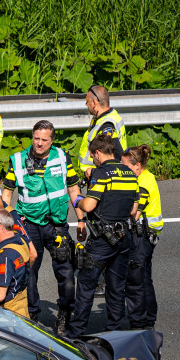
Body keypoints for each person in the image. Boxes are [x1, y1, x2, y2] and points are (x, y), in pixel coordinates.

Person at [2, 120, 82, 334]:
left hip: (56, 225)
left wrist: (81, 220)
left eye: (44, 140)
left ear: (52, 140)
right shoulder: (18, 160)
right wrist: (8, 224)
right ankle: (32, 314)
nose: (38, 143)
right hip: (28, 225)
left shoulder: (63, 158)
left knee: (65, 272)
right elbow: (7, 194)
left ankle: (65, 314)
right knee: (28, 272)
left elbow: (74, 189)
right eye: (36, 138)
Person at [66, 134, 140, 338]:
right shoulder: (130, 173)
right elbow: (134, 210)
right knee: (116, 289)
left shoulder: (102, 173)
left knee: (86, 285)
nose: (93, 159)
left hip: (102, 240)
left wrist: (78, 200)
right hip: (124, 237)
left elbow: (89, 205)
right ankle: (114, 334)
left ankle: (75, 334)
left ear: (97, 153)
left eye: (92, 156)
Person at [122, 145, 162, 331]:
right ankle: (148, 321)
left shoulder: (143, 182)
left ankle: (139, 323)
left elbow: (134, 213)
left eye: (125, 167)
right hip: (148, 236)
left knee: (135, 281)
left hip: (141, 237)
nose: (123, 170)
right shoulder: (146, 176)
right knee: (145, 279)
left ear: (137, 165)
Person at [78, 85, 127, 177]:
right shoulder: (108, 116)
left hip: (103, 177)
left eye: (87, 101)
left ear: (94, 103)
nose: (86, 104)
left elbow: (115, 154)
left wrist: (97, 172)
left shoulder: (106, 125)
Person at [0, 209, 31, 318]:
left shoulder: (4, 256)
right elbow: (33, 256)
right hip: (22, 307)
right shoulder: (21, 241)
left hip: (7, 315)